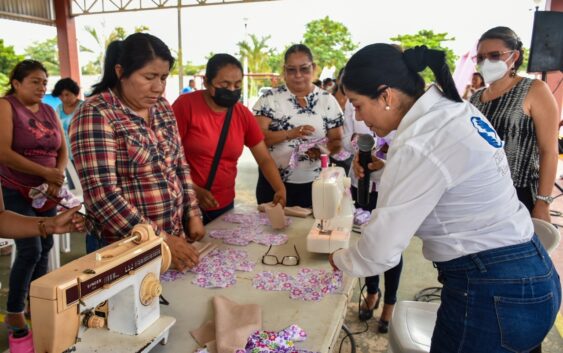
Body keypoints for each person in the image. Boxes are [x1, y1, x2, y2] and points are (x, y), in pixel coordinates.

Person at [328, 44, 560, 352]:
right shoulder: (454, 110)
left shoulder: (420, 141)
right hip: (530, 275)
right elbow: (446, 183)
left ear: (386, 96)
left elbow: (380, 251)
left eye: (358, 104)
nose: (357, 116)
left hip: (492, 290)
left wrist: (339, 260)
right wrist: (386, 170)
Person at [69, 33, 204, 271]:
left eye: (163, 78)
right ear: (120, 72)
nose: (158, 87)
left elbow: (179, 164)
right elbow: (103, 195)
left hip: (172, 238)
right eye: (149, 77)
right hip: (121, 249)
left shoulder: (161, 107)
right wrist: (160, 240)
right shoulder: (95, 114)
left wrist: (192, 213)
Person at [0, 59, 69, 350]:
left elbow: (62, 149)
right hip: (16, 189)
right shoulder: (6, 106)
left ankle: (36, 302)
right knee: (32, 247)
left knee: (47, 246)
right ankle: (14, 310)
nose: (42, 87)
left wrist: (57, 176)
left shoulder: (50, 110)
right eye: (35, 82)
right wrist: (44, 172)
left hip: (47, 189)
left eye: (44, 81)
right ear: (17, 83)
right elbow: (2, 151)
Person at [173, 54, 286, 224]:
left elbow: (263, 158)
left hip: (224, 206)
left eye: (237, 85)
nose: (232, 90)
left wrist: (279, 188)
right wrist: (193, 189)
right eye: (224, 84)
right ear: (206, 82)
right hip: (185, 205)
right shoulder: (185, 106)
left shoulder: (242, 114)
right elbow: (166, 158)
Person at [470, 27, 559, 223]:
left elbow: (549, 151)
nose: (486, 62)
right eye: (480, 58)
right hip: (479, 194)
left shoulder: (534, 90)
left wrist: (543, 203)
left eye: (494, 55)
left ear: (514, 56)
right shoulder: (476, 99)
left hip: (519, 194)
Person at [253, 44, 344, 208]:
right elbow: (257, 138)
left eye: (304, 69)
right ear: (284, 71)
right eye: (291, 70)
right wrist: (290, 133)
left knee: (309, 231)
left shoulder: (326, 100)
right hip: (272, 184)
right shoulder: (269, 99)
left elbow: (337, 140)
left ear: (314, 68)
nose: (298, 75)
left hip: (315, 184)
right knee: (271, 231)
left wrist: (323, 150)